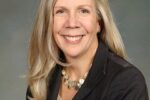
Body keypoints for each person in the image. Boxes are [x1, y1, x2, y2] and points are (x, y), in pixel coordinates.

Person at [26, 0, 149, 100]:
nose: (72, 23)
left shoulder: (127, 83)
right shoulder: (42, 81)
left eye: (83, 11)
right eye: (61, 11)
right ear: (49, 22)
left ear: (99, 22)